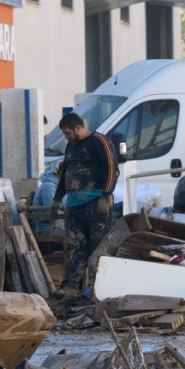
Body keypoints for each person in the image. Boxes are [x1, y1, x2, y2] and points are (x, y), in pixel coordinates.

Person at [52, 112, 118, 297]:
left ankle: (101, 285)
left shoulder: (99, 142)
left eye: (68, 133)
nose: (67, 137)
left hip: (96, 203)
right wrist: (58, 197)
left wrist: (106, 195)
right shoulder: (70, 147)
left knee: (98, 245)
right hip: (75, 205)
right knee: (75, 245)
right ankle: (71, 286)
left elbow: (112, 168)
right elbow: (66, 172)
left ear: (78, 128)